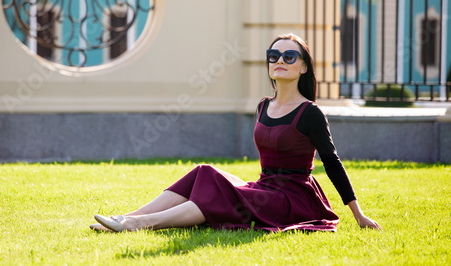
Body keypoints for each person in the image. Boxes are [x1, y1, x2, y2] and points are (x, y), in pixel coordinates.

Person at [91, 33, 382, 233]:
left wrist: (358, 215)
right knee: (205, 171)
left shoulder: (311, 113)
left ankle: (139, 225)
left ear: (304, 66)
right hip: (265, 188)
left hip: (292, 199)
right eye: (274, 55)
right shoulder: (263, 106)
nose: (280, 60)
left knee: (223, 193)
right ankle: (127, 218)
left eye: (290, 56)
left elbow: (332, 162)